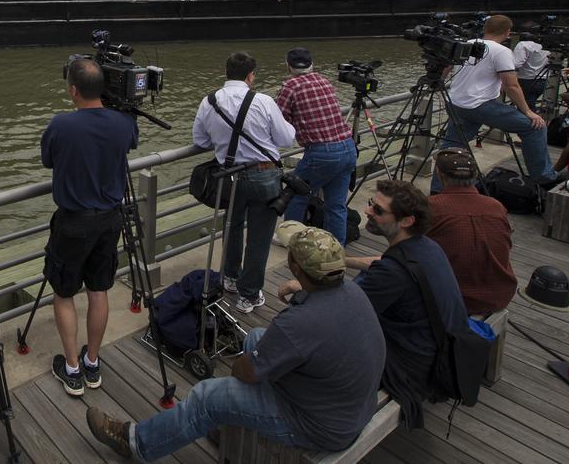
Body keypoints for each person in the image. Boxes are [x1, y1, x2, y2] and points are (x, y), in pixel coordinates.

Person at [85, 226, 385, 460]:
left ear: (296, 268)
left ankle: (135, 441)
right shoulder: (352, 292)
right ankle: (229, 422)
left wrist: (249, 365)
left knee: (209, 396)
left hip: (321, 425)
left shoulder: (299, 324)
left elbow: (246, 372)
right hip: (349, 404)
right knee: (255, 337)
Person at [41, 59, 138, 396]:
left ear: (72, 90)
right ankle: (92, 363)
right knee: (99, 290)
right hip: (110, 219)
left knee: (64, 293)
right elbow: (128, 142)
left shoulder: (61, 125)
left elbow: (48, 160)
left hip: (72, 222)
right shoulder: (123, 123)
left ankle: (71, 369)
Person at [345, 180, 469, 429]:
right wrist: (344, 261)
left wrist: (302, 286)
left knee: (325, 337)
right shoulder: (426, 246)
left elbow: (343, 311)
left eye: (378, 211)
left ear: (406, 221)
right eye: (371, 204)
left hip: (411, 368)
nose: (368, 211)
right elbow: (384, 261)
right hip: (438, 350)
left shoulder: (391, 274)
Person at [193, 52, 296, 313]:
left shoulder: (210, 101)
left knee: (232, 224)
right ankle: (248, 296)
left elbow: (200, 140)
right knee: (259, 238)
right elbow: (285, 139)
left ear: (226, 72)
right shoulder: (262, 100)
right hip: (263, 174)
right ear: (251, 75)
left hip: (229, 176)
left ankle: (229, 277)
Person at [438, 14, 553, 191]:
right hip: (480, 105)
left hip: (456, 104)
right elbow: (511, 85)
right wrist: (528, 111)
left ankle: (438, 190)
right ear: (508, 33)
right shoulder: (502, 51)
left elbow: (446, 66)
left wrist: (440, 81)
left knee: (451, 147)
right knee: (534, 127)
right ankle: (544, 177)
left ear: (485, 29)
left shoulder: (467, 43)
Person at [274, 47, 357, 244]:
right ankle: (336, 248)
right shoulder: (324, 81)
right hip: (347, 148)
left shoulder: (290, 87)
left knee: (296, 195)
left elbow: (278, 120)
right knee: (336, 206)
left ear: (288, 66)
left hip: (322, 153)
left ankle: (291, 240)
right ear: (312, 64)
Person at [426, 149, 517, 316]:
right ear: (475, 175)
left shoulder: (430, 206)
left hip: (451, 299)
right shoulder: (496, 206)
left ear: (439, 173)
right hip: (499, 296)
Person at [512, 22, 549, 109]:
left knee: (525, 108)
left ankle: (532, 122)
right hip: (543, 80)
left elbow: (516, 64)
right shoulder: (546, 43)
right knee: (530, 104)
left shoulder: (523, 44)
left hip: (526, 80)